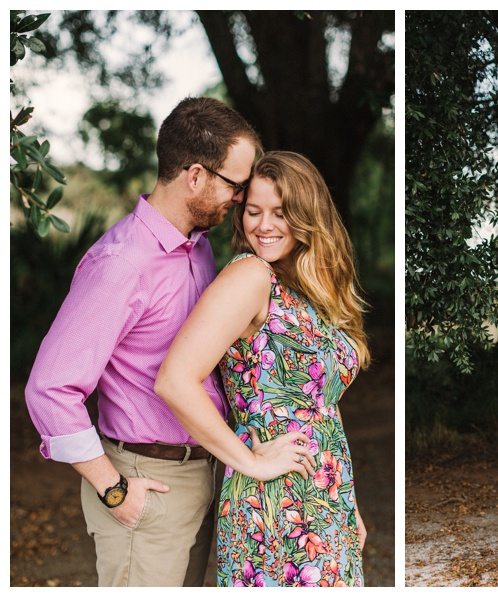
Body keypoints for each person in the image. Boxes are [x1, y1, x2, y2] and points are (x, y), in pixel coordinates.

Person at [24, 97, 314, 587]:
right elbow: (49, 389)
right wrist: (112, 489)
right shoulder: (121, 263)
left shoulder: (198, 247)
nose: (241, 199)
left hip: (205, 472)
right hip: (146, 480)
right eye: (236, 185)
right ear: (196, 176)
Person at [155, 151, 369, 587]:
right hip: (273, 499)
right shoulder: (251, 276)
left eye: (280, 213)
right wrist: (250, 462)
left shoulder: (310, 289)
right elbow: (174, 381)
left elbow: (322, 402)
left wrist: (350, 501)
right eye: (253, 211)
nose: (264, 225)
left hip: (327, 492)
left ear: (308, 217)